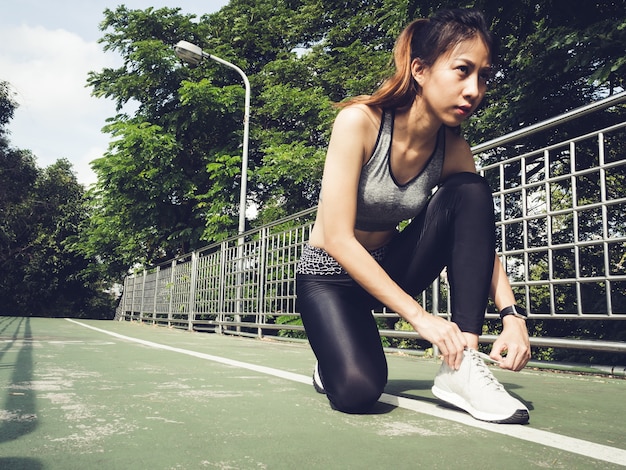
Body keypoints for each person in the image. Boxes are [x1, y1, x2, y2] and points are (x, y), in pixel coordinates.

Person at [295, 8, 531, 424]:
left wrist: (511, 315)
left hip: (390, 266)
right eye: (462, 71)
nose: (474, 89)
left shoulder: (454, 149)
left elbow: (475, 237)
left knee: (471, 192)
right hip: (329, 277)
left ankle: (462, 365)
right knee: (357, 391)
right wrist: (421, 318)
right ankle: (331, 362)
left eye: (483, 76)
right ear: (420, 70)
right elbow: (335, 236)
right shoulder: (360, 123)